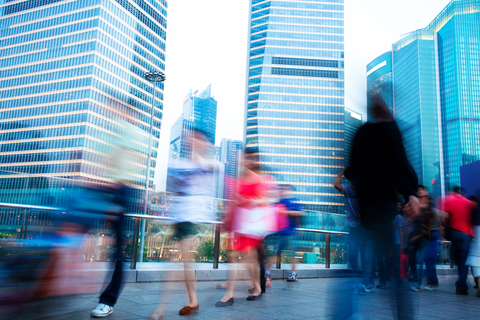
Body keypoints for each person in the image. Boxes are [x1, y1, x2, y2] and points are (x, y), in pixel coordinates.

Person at [341, 96, 419, 319]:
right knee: (392, 274)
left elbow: (353, 170)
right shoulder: (388, 130)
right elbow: (400, 163)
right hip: (381, 212)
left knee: (355, 267)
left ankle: (345, 314)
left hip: (368, 215)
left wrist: (409, 193)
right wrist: (410, 193)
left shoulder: (362, 132)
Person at [149, 128, 218, 318]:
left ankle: (159, 310)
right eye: (189, 137)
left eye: (195, 137)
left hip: (190, 218)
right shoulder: (179, 164)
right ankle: (193, 300)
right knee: (186, 263)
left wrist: (201, 151)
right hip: (179, 217)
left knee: (174, 262)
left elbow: (214, 167)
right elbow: (173, 189)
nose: (190, 140)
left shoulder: (205, 163)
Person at [215, 150, 272, 307]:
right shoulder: (240, 179)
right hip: (241, 225)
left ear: (253, 160)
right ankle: (257, 288)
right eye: (243, 158)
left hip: (251, 225)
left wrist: (253, 201)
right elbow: (235, 201)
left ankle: (230, 294)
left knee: (242, 259)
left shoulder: (257, 179)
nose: (244, 160)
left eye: (247, 158)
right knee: (247, 260)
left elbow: (265, 199)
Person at [333, 167, 371, 293]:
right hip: (354, 228)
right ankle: (359, 281)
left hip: (366, 228)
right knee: (352, 255)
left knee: (366, 257)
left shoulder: (366, 190)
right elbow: (335, 184)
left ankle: (364, 283)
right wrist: (343, 170)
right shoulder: (348, 190)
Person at [264, 185, 304, 285]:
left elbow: (301, 213)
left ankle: (293, 273)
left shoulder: (294, 201)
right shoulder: (276, 203)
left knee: (292, 255)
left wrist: (284, 212)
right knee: (272, 255)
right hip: (276, 233)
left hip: (290, 233)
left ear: (289, 191)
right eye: (280, 189)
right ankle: (267, 273)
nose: (281, 191)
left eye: (284, 189)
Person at [444, 187, 475, 295]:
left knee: (458, 261)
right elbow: (473, 219)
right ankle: (461, 284)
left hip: (455, 233)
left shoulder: (449, 201)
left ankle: (461, 283)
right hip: (467, 234)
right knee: (464, 261)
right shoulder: (469, 203)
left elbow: (445, 217)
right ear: (462, 193)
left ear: (453, 192)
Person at [410, 186, 442, 291]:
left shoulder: (430, 207)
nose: (419, 191)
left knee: (425, 259)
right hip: (419, 236)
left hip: (428, 236)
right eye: (418, 190)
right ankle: (420, 281)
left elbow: (435, 223)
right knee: (418, 259)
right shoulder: (416, 205)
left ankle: (422, 282)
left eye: (422, 190)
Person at [466, 195, 479, 296]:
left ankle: (478, 284)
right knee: (475, 262)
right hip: (474, 237)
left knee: (475, 261)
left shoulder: (474, 211)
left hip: (475, 237)